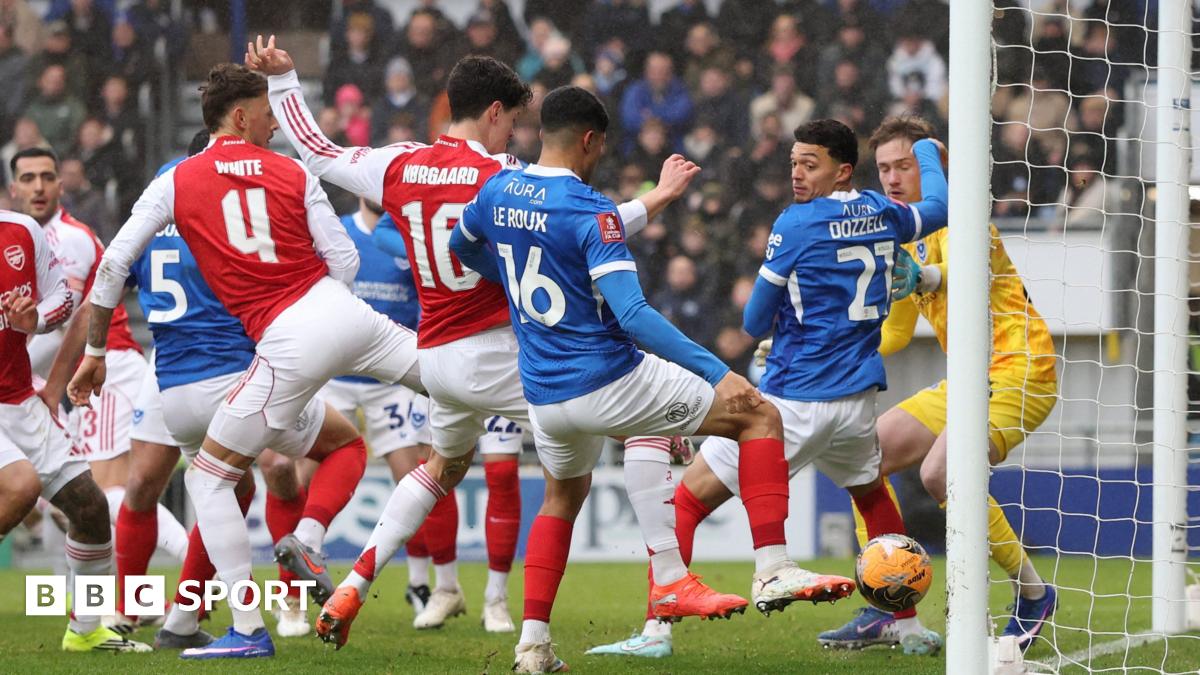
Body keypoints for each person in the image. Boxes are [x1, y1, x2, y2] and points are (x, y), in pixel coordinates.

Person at [245, 37, 731, 653]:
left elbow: (317, 152)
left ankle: (355, 582)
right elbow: (582, 224)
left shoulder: (398, 164)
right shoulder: (504, 178)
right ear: (495, 112)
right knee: (639, 426)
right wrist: (655, 199)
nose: (515, 136)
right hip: (503, 355)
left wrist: (285, 82)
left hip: (436, 358)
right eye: (513, 122)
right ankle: (666, 583)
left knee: (440, 468)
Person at [451, 88, 860, 672]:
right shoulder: (591, 209)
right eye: (600, 148)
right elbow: (634, 314)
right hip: (605, 377)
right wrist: (718, 373)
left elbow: (461, 247)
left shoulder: (498, 189)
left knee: (561, 499)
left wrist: (519, 288)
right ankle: (771, 568)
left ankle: (533, 646)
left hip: (542, 392)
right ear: (590, 141)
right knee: (758, 414)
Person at [68, 62, 422, 660]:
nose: (272, 126)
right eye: (264, 115)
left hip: (170, 381)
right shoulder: (266, 189)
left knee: (179, 488)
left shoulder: (168, 189)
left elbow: (110, 271)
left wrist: (94, 353)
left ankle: (169, 616)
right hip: (241, 368)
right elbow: (337, 263)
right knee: (338, 449)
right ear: (239, 117)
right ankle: (275, 595)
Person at [588, 117, 950, 660]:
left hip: (794, 398)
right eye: (794, 163)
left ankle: (657, 630)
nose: (798, 174)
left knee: (686, 501)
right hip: (855, 399)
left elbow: (754, 320)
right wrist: (926, 152)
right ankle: (908, 624)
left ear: (842, 170)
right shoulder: (883, 212)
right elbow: (939, 207)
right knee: (872, 494)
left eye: (811, 164)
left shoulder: (796, 223)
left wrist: (783, 318)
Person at [817, 115, 1058, 653]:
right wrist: (823, 345)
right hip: (966, 380)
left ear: (930, 169)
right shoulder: (902, 240)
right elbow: (896, 333)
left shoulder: (963, 216)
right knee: (863, 455)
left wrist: (924, 276)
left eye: (904, 165)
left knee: (940, 472)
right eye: (884, 168)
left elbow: (966, 273)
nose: (892, 177)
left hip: (1022, 369)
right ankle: (888, 606)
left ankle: (1033, 593)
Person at [337, 199, 527, 632]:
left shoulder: (501, 182)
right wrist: (429, 248)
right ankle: (445, 588)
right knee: (436, 468)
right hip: (445, 352)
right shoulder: (424, 182)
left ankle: (496, 597)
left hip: (504, 350)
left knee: (501, 472)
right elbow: (386, 230)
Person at [9, 147, 189, 586]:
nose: (38, 187)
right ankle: (94, 602)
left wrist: (46, 387)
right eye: (28, 178)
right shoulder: (25, 237)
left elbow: (71, 321)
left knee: (106, 494)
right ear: (13, 188)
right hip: (77, 378)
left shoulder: (67, 239)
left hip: (105, 371)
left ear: (61, 185)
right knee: (76, 503)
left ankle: (197, 570)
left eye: (46, 177)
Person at [0, 208, 149, 653]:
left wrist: (35, 319)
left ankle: (86, 630)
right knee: (21, 486)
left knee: (89, 507)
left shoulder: (23, 231)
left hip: (18, 400)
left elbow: (62, 300)